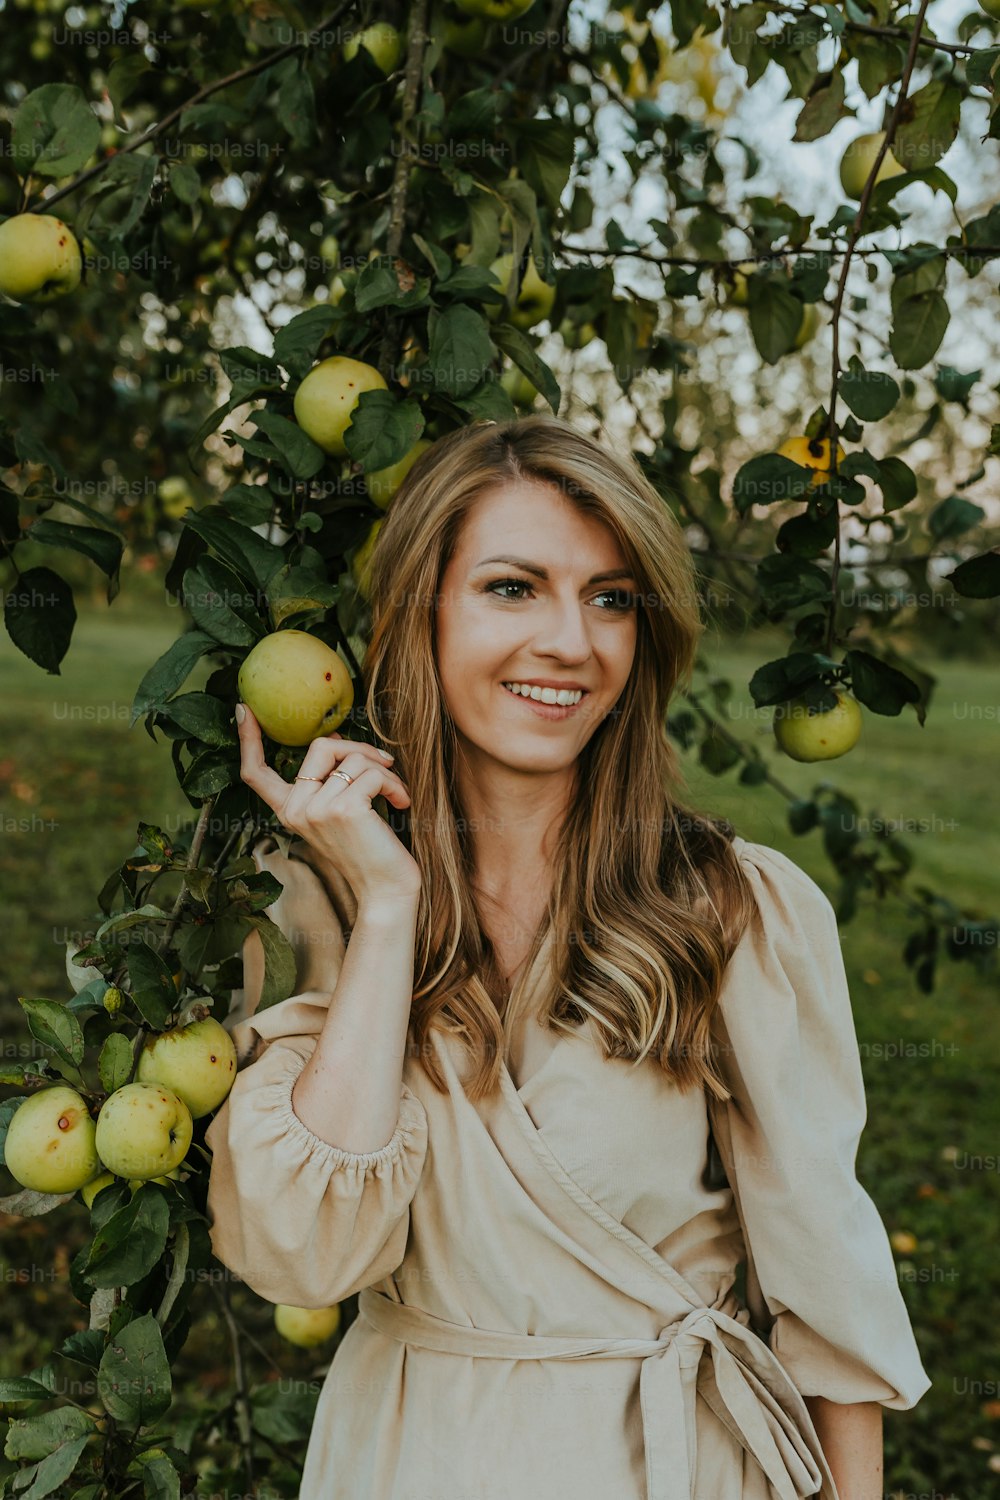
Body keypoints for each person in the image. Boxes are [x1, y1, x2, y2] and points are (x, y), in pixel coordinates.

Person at [205, 415, 931, 1499]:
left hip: (669, 1466)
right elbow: (305, 1256)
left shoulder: (728, 907)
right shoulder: (312, 902)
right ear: (420, 611)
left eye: (608, 598)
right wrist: (390, 908)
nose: (570, 642)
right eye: (512, 587)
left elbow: (830, 1296)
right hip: (410, 1460)